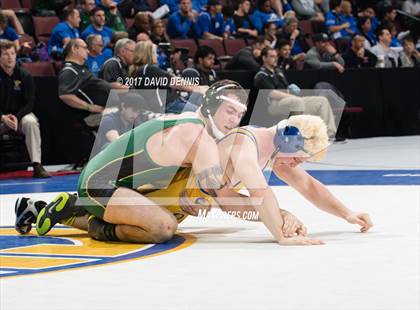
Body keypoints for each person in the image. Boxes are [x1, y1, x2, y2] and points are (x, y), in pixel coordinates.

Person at [254, 46, 337, 137]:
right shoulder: (261, 75)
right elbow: (273, 94)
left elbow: (287, 89)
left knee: (321, 101)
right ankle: (297, 136)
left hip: (288, 100)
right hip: (273, 105)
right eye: (272, 56)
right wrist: (292, 97)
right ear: (264, 58)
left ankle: (329, 134)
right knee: (296, 101)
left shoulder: (279, 72)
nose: (275, 59)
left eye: (276, 56)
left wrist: (290, 91)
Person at [0, 40, 50, 178]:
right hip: (2, 119)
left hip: (19, 118)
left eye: (12, 53)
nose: (10, 57)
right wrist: (3, 117)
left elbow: (30, 102)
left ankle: (36, 165)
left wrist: (17, 116)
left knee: (31, 121)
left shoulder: (24, 75)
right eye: (5, 54)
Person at [58, 38, 128, 128]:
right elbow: (65, 95)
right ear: (74, 48)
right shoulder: (69, 70)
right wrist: (90, 107)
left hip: (110, 106)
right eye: (85, 48)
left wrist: (117, 88)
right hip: (95, 114)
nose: (87, 51)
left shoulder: (81, 69)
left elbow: (98, 87)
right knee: (136, 115)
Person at [129, 41, 208, 114]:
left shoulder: (142, 70)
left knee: (199, 98)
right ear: (147, 54)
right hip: (167, 105)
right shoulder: (147, 69)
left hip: (173, 101)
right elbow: (175, 83)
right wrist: (198, 88)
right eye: (154, 52)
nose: (156, 55)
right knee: (201, 114)